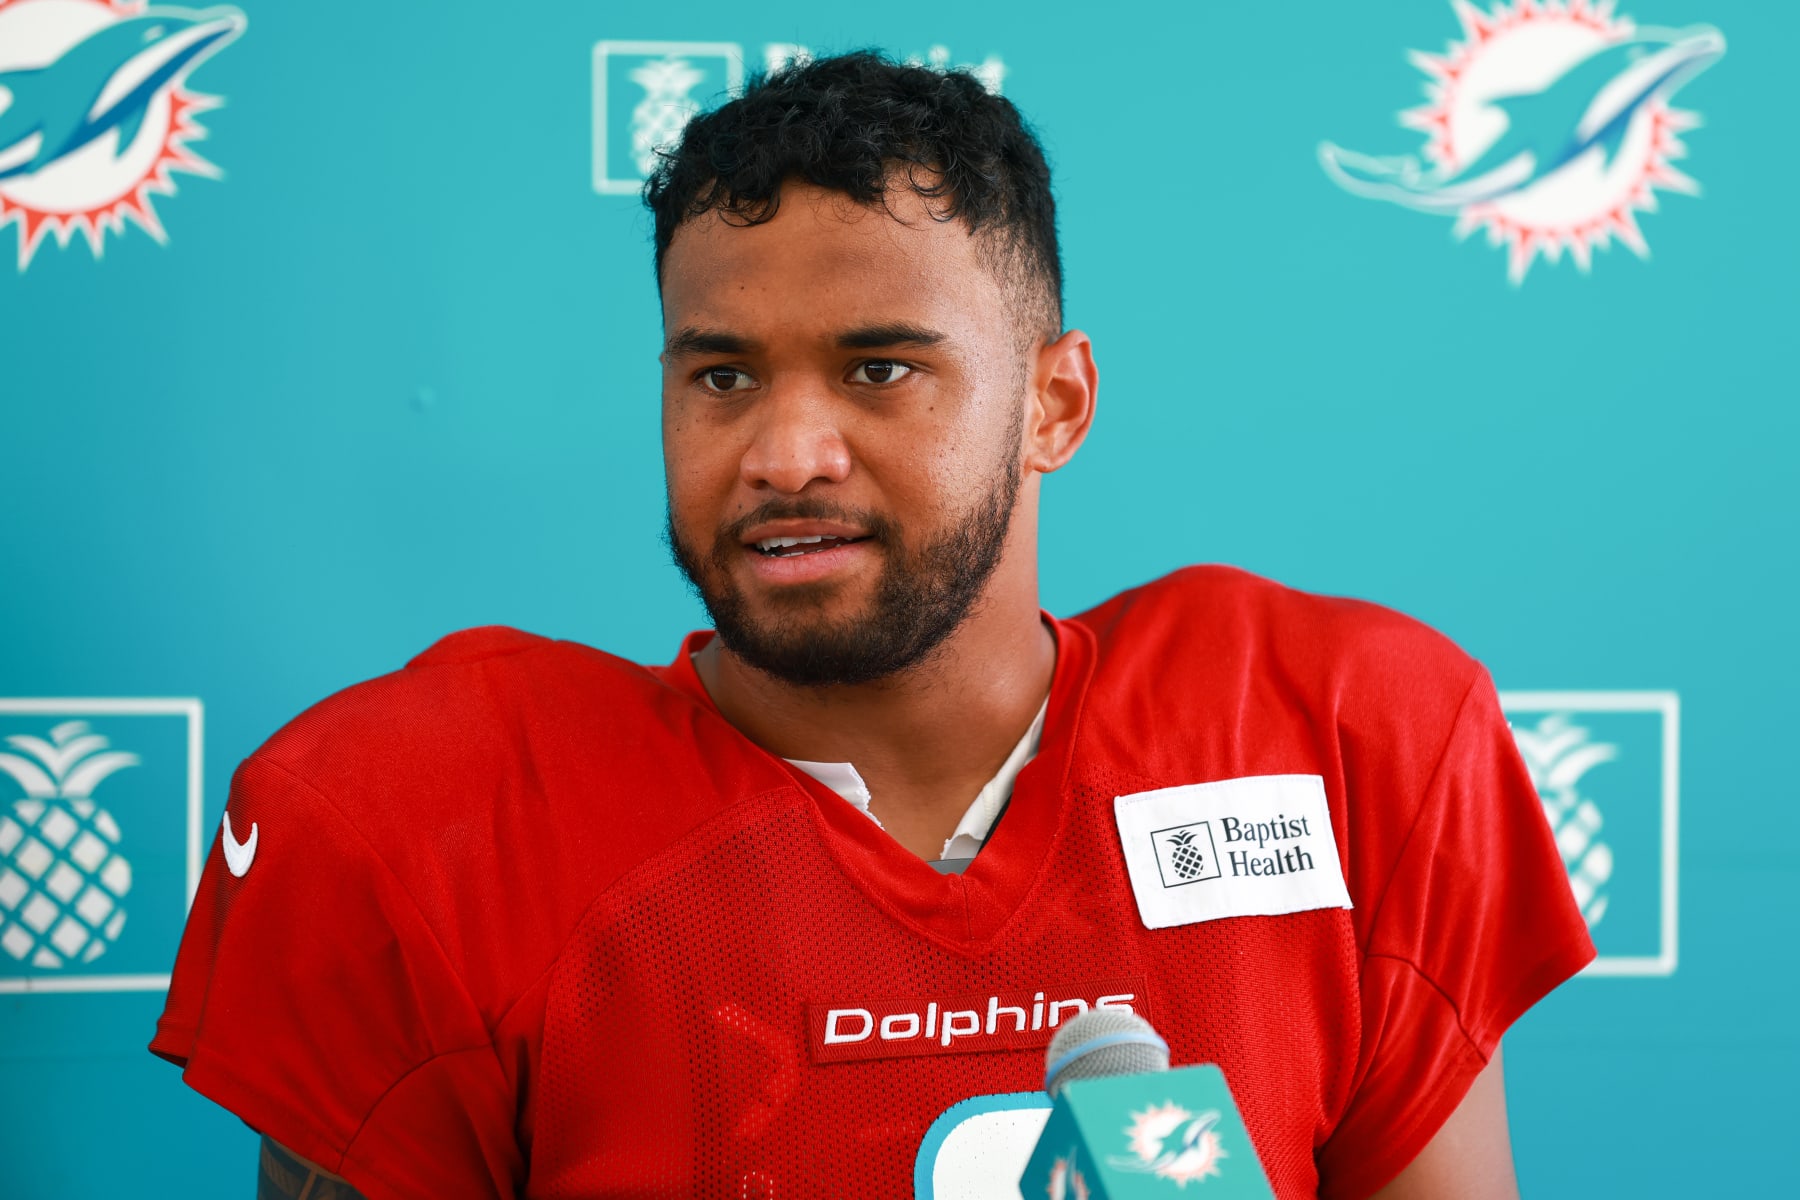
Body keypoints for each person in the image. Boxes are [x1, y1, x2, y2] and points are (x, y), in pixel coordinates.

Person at [151, 52, 1594, 1199]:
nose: (785, 452)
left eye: (879, 369)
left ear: (1056, 404)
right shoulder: (434, 823)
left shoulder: (1334, 737)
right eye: (720, 378)